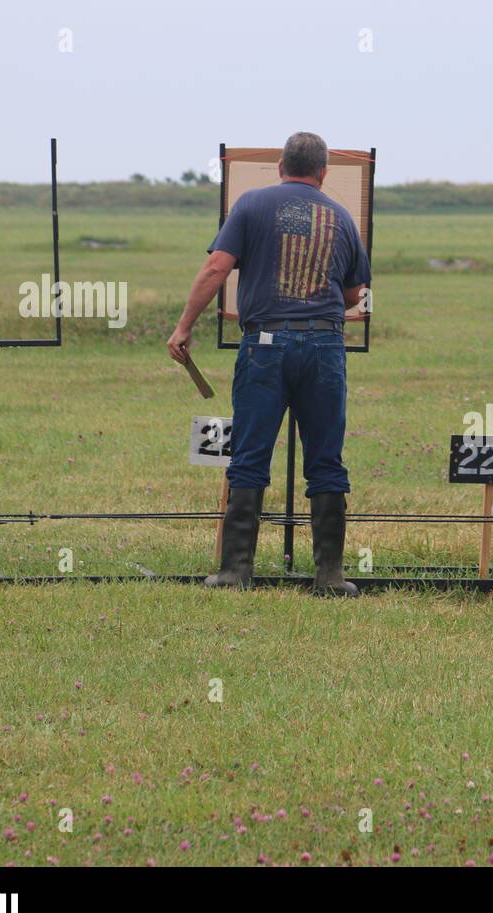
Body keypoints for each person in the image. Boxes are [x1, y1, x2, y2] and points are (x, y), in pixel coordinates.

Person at [166, 131, 369, 596]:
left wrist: (184, 326)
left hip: (264, 347)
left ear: (281, 166)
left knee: (251, 454)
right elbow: (355, 294)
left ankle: (236, 572)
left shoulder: (251, 205)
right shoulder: (340, 217)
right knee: (326, 460)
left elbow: (217, 267)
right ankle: (330, 576)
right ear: (323, 172)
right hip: (324, 349)